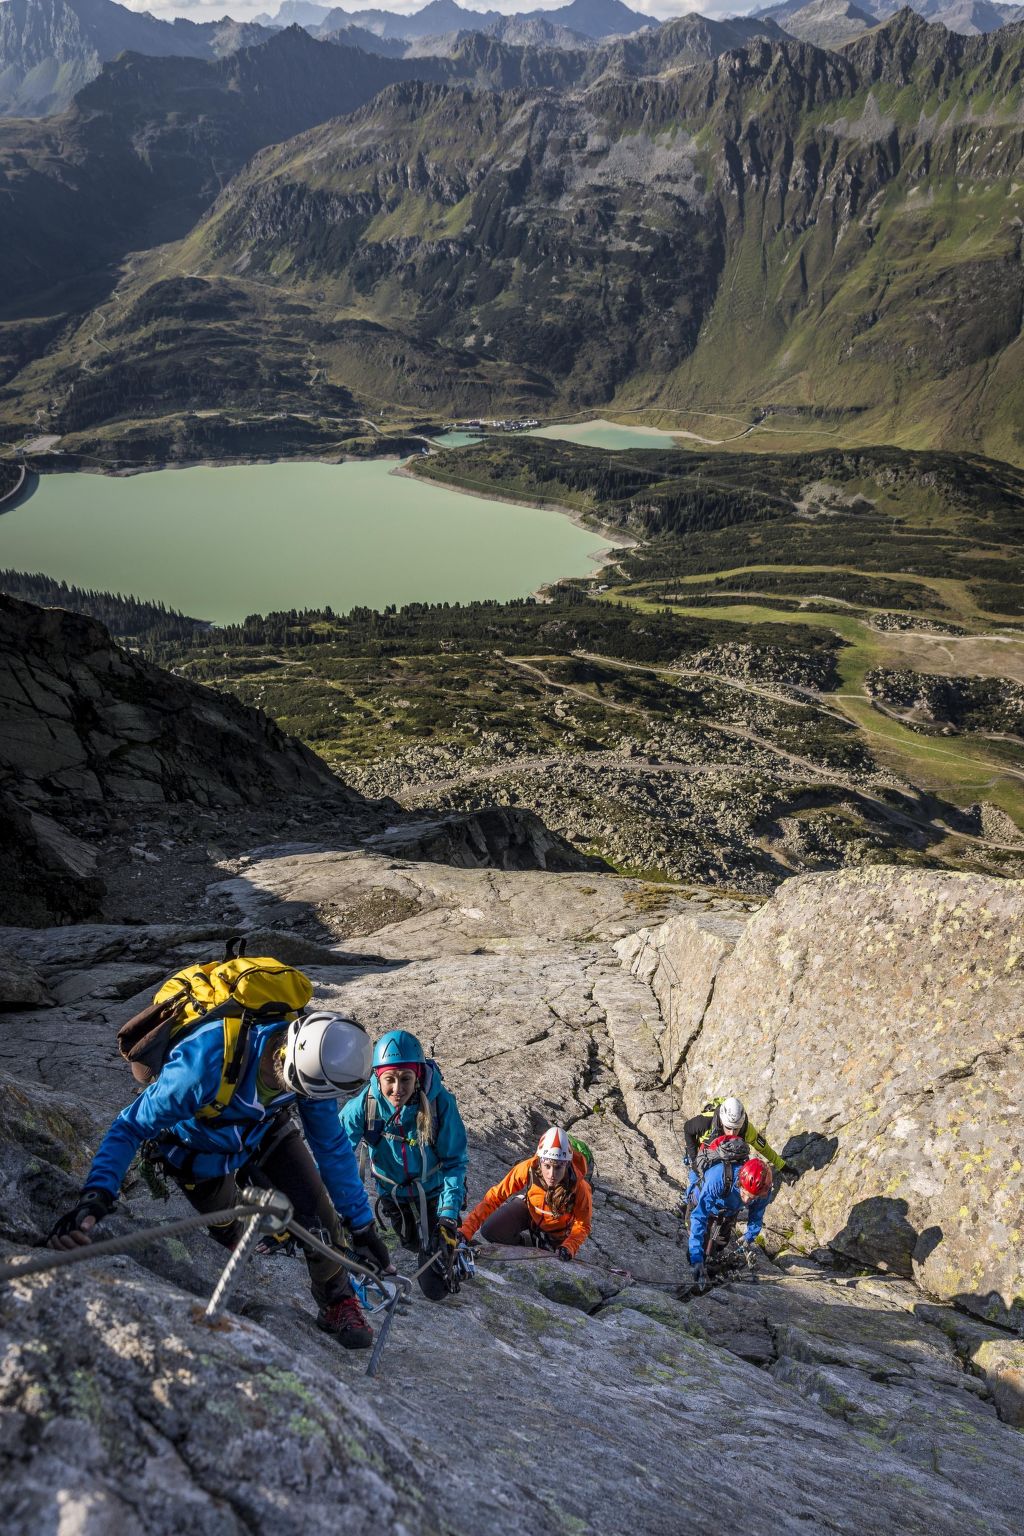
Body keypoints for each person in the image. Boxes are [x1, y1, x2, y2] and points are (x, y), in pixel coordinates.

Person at [47, 1011, 391, 1349]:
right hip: (197, 1147)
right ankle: (232, 1237)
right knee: (226, 1223)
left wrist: (361, 1225)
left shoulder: (315, 1065)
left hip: (264, 1129)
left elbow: (330, 1147)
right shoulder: (204, 1062)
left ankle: (337, 1303)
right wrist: (98, 1193)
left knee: (320, 1220)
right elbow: (130, 1126)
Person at [340, 1028, 468, 1301]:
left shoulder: (440, 1104)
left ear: (418, 1076)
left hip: (433, 1193)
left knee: (435, 1288)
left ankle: (454, 1238)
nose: (397, 1089)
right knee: (410, 1243)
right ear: (378, 1077)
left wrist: (447, 1215)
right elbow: (336, 1151)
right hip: (394, 1197)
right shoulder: (364, 1106)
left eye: (405, 1079)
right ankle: (428, 1239)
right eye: (390, 1080)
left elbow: (454, 1163)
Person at [459, 1127, 592, 1261]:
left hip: (556, 1232)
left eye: (558, 1167)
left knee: (547, 1258)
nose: (552, 1174)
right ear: (540, 1161)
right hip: (530, 1210)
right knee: (490, 1230)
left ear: (567, 1164)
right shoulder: (528, 1168)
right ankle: (526, 1244)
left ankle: (537, 1245)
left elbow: (582, 1224)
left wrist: (569, 1246)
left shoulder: (580, 1187)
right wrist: (466, 1232)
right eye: (547, 1166)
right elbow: (494, 1197)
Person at [688, 1154, 773, 1285]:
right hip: (701, 1203)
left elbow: (757, 1215)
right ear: (740, 1182)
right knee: (697, 1252)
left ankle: (710, 1268)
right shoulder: (718, 1178)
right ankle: (698, 1265)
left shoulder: (762, 1193)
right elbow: (699, 1216)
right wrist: (696, 1257)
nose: (746, 1200)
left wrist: (749, 1236)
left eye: (752, 1198)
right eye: (745, 1194)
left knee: (720, 1245)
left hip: (728, 1212)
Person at [683, 1095, 792, 1185]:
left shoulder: (746, 1129)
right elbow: (687, 1128)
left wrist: (782, 1166)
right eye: (728, 1128)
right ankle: (689, 1203)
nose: (732, 1133)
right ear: (722, 1121)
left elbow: (764, 1148)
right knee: (696, 1180)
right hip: (705, 1152)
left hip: (729, 1155)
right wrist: (694, 1159)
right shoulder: (706, 1121)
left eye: (736, 1129)